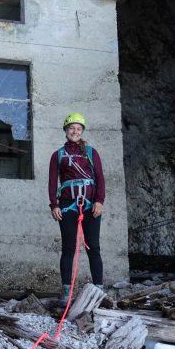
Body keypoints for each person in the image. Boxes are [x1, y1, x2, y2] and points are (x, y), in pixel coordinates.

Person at [48, 112, 105, 306]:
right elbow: (51, 182)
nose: (75, 131)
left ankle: (99, 290)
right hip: (68, 206)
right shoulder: (58, 155)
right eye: (71, 128)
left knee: (94, 248)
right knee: (68, 248)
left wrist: (99, 201)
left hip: (90, 205)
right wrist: (54, 205)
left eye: (78, 128)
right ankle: (66, 292)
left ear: (82, 131)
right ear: (66, 131)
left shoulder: (91, 153)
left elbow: (100, 179)